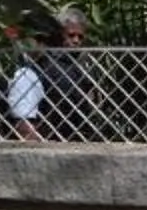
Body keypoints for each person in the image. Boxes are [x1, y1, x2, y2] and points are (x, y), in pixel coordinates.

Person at [6, 9, 90, 140]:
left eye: (80, 37)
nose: (76, 41)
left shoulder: (77, 67)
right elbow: (24, 124)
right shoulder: (29, 73)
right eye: (71, 35)